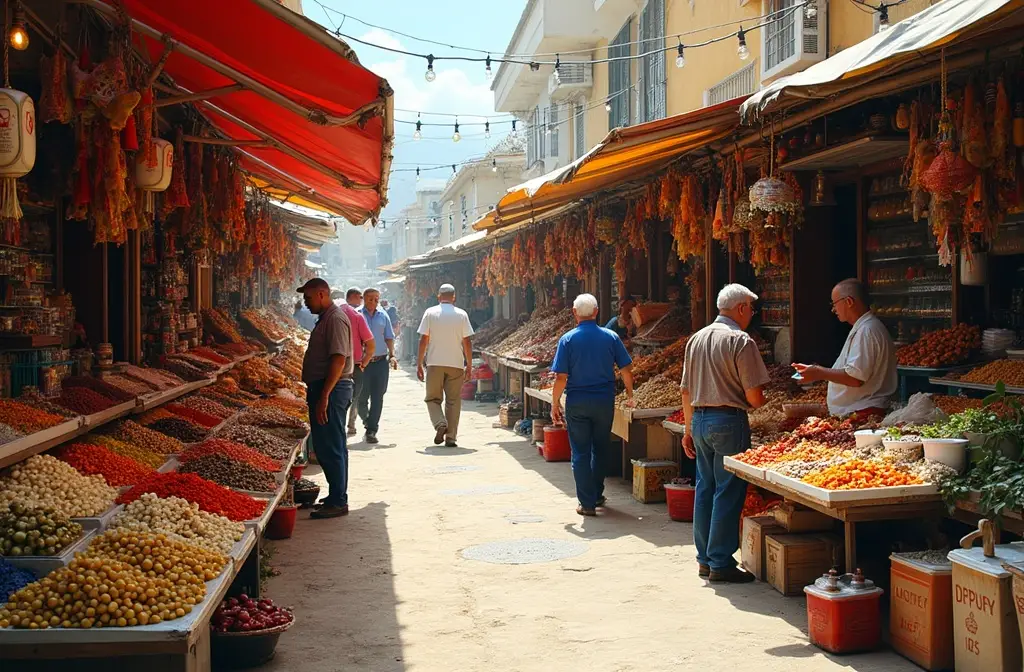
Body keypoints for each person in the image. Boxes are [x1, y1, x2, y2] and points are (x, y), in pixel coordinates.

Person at [680, 283, 770, 583]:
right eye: (751, 310)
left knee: (705, 488)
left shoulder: (696, 339)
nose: (751, 315)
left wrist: (688, 428)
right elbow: (755, 397)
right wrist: (764, 402)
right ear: (742, 308)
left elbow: (685, 390)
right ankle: (720, 562)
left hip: (700, 420)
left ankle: (705, 559)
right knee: (728, 489)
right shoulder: (740, 341)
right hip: (728, 421)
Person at [550, 294, 634, 517]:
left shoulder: (567, 340)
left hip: (577, 403)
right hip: (603, 401)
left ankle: (587, 503)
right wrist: (630, 394)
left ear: (574, 313)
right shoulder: (611, 337)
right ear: (596, 312)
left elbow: (561, 377)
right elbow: (626, 370)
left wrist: (555, 402)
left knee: (580, 452)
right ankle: (596, 493)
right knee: (601, 447)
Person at [792, 278, 897, 419]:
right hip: (859, 410)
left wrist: (818, 372)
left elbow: (855, 378)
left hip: (864, 411)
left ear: (849, 302)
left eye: (834, 303)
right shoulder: (864, 327)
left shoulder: (867, 330)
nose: (833, 309)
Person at [297, 278, 355, 519]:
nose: (305, 303)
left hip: (332, 388)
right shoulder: (326, 318)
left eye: (308, 298)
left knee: (330, 445)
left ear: (322, 294)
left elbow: (339, 360)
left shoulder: (335, 319)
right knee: (330, 444)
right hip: (326, 388)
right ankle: (336, 496)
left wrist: (324, 396)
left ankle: (338, 500)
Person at [416, 284, 474, 447]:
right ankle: (451, 438)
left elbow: (423, 340)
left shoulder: (430, 313)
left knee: (432, 399)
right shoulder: (462, 314)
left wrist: (419, 363)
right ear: (454, 297)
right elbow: (467, 342)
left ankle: (440, 423)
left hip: (434, 363)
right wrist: (468, 365)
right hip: (455, 364)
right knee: (453, 400)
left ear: (439, 296)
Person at [358, 288, 397, 444]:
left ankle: (372, 430)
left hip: (380, 362)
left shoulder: (383, 315)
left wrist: (392, 355)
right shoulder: (357, 315)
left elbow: (389, 337)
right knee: (361, 397)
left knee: (378, 397)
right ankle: (367, 420)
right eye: (370, 298)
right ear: (364, 299)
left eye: (376, 299)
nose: (373, 302)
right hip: (362, 363)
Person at [341, 287, 375, 437]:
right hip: (355, 364)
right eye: (360, 297)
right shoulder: (357, 316)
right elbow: (371, 345)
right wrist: (365, 362)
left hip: (336, 364)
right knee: (355, 396)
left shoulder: (331, 314)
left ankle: (338, 424)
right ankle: (351, 425)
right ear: (354, 297)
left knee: (337, 396)